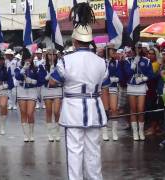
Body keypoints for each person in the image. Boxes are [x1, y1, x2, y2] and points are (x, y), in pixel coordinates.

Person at [49, 3, 108, 179]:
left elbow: (53, 82)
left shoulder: (66, 60)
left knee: (74, 152)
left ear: (74, 41)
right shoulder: (102, 62)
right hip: (95, 108)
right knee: (94, 153)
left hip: (73, 109)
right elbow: (104, 86)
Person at [125, 43, 154, 141]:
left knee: (141, 109)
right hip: (131, 87)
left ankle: (141, 131)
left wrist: (144, 78)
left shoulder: (147, 61)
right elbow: (127, 73)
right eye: (136, 48)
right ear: (133, 49)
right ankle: (135, 132)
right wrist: (133, 64)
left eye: (139, 48)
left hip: (141, 86)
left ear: (142, 49)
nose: (138, 49)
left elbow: (151, 74)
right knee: (133, 110)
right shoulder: (128, 61)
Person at [15, 48, 40, 142]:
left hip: (32, 91)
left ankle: (31, 133)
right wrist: (23, 69)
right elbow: (17, 77)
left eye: (29, 58)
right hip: (22, 90)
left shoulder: (35, 68)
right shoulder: (19, 68)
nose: (28, 60)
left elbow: (40, 80)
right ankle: (26, 135)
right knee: (23, 113)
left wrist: (33, 81)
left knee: (30, 113)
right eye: (26, 58)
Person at [38, 49, 62, 142]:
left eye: (54, 55)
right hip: (47, 90)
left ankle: (57, 132)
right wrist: (49, 74)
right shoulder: (42, 66)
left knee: (56, 112)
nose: (52, 56)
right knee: (49, 112)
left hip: (57, 89)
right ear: (47, 56)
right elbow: (41, 80)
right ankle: (50, 133)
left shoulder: (59, 65)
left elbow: (62, 77)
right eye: (50, 55)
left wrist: (55, 74)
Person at [105, 47, 122, 141]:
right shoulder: (103, 62)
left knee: (114, 109)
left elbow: (120, 74)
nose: (113, 53)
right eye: (111, 52)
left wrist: (116, 79)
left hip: (113, 87)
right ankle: (105, 131)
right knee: (105, 109)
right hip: (104, 88)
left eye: (114, 52)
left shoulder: (117, 62)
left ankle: (114, 132)